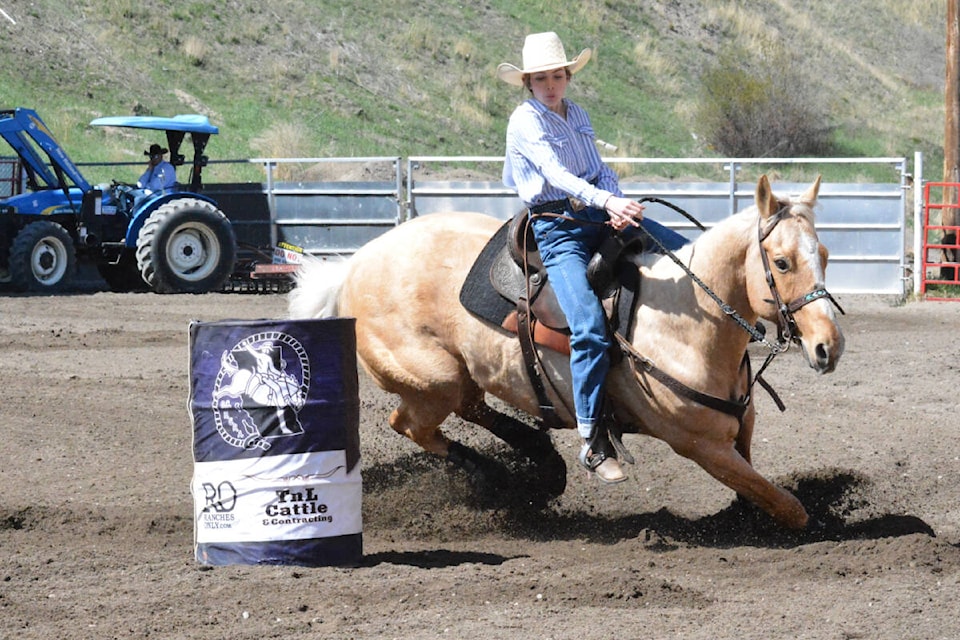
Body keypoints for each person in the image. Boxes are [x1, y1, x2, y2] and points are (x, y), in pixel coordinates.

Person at [498, 31, 689, 484]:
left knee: (683, 251)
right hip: (557, 228)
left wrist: (619, 203)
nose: (551, 84)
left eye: (558, 75)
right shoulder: (525, 121)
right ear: (528, 82)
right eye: (541, 77)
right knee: (587, 327)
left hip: (599, 213)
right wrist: (609, 204)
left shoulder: (576, 113)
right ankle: (590, 438)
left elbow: (599, 168)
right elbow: (556, 174)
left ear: (567, 77)